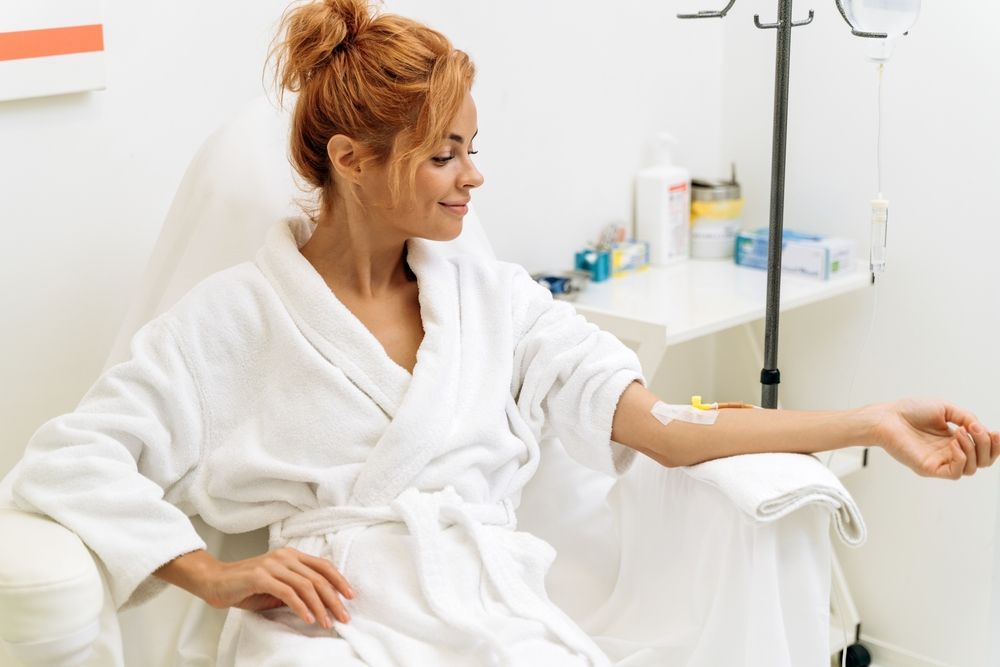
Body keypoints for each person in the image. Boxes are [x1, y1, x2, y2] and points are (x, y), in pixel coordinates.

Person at [10, 0, 999, 665]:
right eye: (445, 156)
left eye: (471, 150)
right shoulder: (232, 318)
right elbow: (71, 462)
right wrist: (215, 572)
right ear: (352, 160)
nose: (474, 179)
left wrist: (867, 420)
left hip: (488, 608)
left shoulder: (492, 299)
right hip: (331, 629)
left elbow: (666, 428)